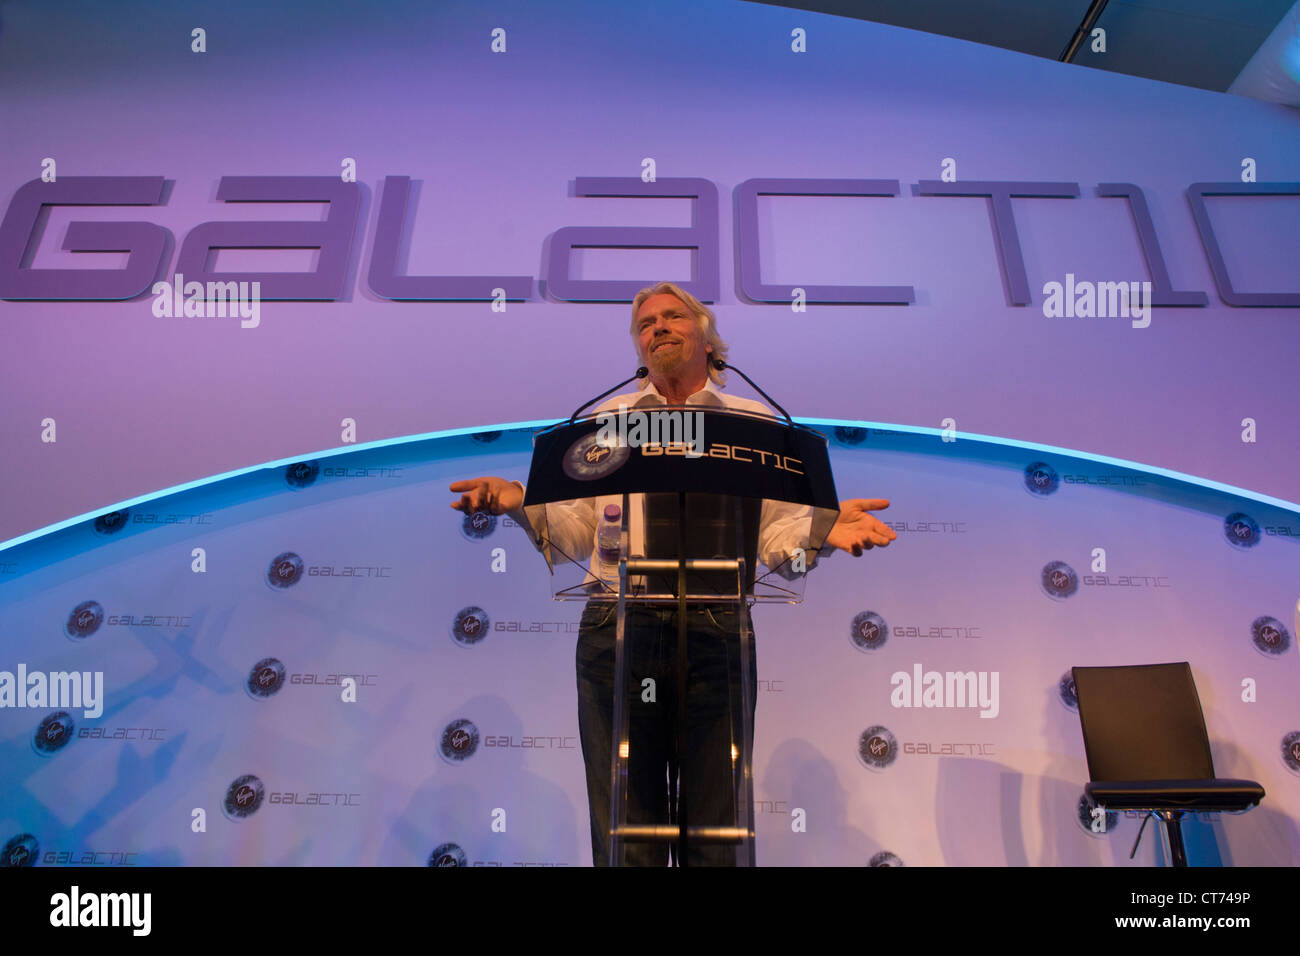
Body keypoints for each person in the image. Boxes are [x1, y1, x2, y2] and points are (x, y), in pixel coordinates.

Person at [450, 281, 895, 865]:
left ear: (708, 338)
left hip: (717, 631)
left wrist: (820, 531)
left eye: (672, 316)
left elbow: (775, 539)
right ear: (638, 348)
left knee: (716, 829)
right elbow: (579, 533)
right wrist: (519, 503)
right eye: (644, 324)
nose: (656, 327)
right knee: (627, 833)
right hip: (617, 627)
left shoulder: (753, 424)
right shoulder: (608, 425)